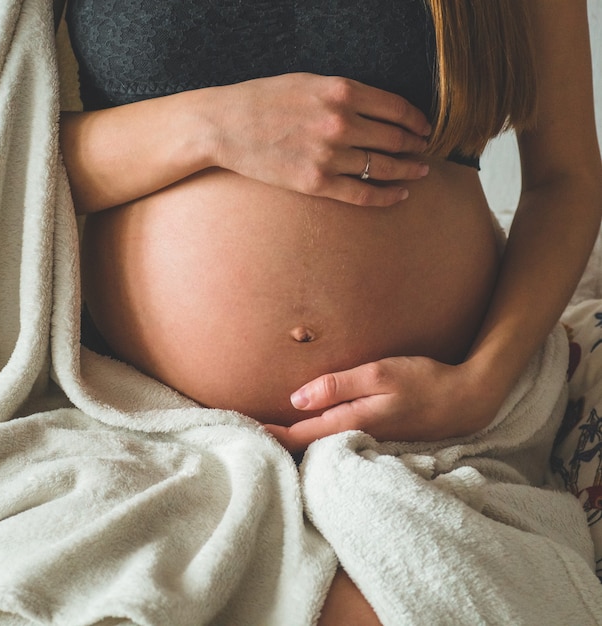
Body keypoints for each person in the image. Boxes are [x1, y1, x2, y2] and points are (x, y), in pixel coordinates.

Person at [59, 1, 602, 623]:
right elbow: (5, 157)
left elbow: (565, 178)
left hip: (438, 427)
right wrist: (209, 125)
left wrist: (479, 383)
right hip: (130, 414)